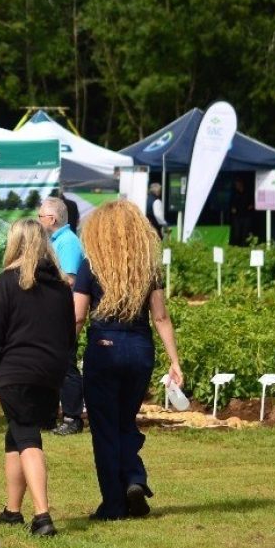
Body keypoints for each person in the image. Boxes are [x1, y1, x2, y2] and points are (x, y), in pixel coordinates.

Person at [76, 200, 185, 520]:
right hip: (140, 349)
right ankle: (134, 479)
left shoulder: (91, 265)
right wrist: (175, 361)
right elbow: (161, 317)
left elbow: (78, 316)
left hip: (104, 347)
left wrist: (63, 352)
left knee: (105, 428)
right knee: (125, 421)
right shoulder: (147, 268)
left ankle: (113, 504)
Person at [0, 218, 75, 538]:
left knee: (28, 438)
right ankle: (12, 510)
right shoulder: (62, 286)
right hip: (50, 373)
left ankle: (42, 515)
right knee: (16, 436)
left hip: (15, 371)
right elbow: (69, 333)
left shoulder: (5, 283)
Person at [40, 199, 87, 437]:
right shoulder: (56, 241)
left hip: (63, 314)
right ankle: (51, 414)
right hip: (52, 312)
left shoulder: (67, 243)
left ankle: (72, 416)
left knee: (66, 366)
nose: (38, 220)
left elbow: (69, 280)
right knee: (51, 365)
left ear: (52, 219)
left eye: (41, 216)